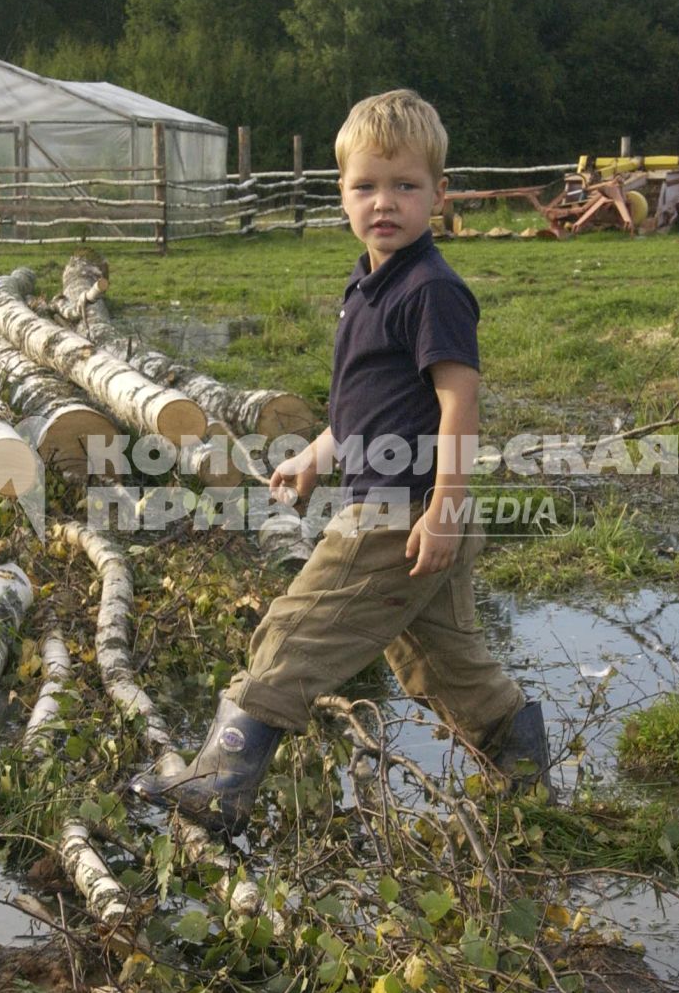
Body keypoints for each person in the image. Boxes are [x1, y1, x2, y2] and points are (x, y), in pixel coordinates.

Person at [130, 88, 550, 835]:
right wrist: (318, 455)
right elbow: (367, 405)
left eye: (405, 186)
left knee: (295, 630)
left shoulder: (432, 290)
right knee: (445, 662)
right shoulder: (366, 285)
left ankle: (220, 780)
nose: (383, 202)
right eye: (365, 186)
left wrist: (445, 510)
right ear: (342, 195)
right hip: (411, 511)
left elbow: (459, 407)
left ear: (440, 195)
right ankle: (525, 776)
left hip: (400, 515)